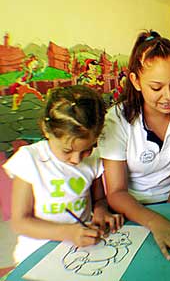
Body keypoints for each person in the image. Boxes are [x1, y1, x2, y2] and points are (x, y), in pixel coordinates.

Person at [97, 30, 170, 263]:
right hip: (131, 210)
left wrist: (169, 215)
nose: (169, 96)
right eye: (156, 88)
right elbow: (116, 192)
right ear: (136, 81)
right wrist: (155, 221)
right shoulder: (116, 120)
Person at [3, 85, 124, 263]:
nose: (76, 160)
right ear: (46, 130)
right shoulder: (29, 160)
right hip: (36, 255)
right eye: (67, 150)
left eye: (87, 149)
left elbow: (99, 200)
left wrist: (101, 212)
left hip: (79, 249)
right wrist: (67, 232)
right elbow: (20, 222)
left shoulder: (93, 160)